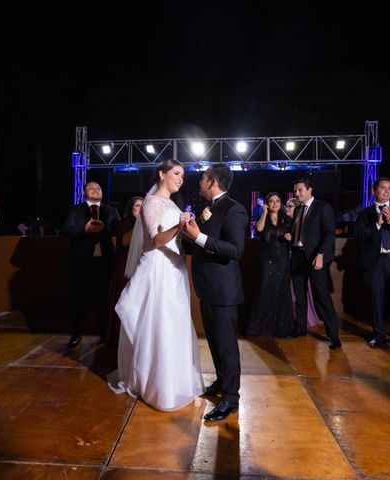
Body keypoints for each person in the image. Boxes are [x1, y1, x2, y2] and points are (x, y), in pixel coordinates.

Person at [108, 160, 203, 411]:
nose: (181, 178)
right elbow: (157, 239)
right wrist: (178, 226)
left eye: (183, 175)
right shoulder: (151, 203)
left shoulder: (172, 203)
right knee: (159, 323)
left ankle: (175, 381)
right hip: (158, 269)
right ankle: (157, 386)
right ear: (162, 174)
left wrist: (190, 230)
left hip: (174, 268)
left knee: (175, 322)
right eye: (176, 173)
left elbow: (175, 238)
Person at [184, 164, 248, 422]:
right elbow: (201, 244)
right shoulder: (209, 209)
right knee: (214, 341)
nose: (199, 181)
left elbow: (235, 250)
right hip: (208, 288)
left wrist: (198, 236)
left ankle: (231, 398)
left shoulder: (235, 209)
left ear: (212, 182)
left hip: (224, 291)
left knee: (226, 346)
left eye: (202, 178)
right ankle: (222, 381)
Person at [354, 177, 390, 355]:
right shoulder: (364, 213)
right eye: (382, 188)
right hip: (375, 262)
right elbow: (359, 236)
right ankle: (378, 335)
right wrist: (377, 224)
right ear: (374, 190)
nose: (387, 191)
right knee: (376, 299)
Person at [63, 181, 120, 348]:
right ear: (83, 192)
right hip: (81, 262)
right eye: (91, 188)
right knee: (79, 299)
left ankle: (106, 334)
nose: (95, 190)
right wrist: (84, 229)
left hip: (105, 262)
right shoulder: (75, 210)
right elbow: (67, 230)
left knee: (104, 300)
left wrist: (103, 229)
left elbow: (118, 231)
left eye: (98, 188)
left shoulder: (111, 211)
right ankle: (76, 334)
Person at [289, 177, 342, 349]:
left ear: (310, 190)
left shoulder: (322, 207)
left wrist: (320, 254)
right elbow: (299, 232)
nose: (297, 193)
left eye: (300, 190)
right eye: (295, 190)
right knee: (300, 296)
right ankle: (300, 329)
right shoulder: (298, 210)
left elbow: (329, 233)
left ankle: (333, 336)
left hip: (314, 258)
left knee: (322, 297)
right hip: (297, 256)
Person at [246, 193, 293, 336]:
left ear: (281, 203)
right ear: (267, 204)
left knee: (281, 292)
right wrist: (265, 212)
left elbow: (294, 237)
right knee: (265, 291)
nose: (274, 203)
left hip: (283, 260)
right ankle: (261, 328)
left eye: (277, 201)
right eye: (271, 201)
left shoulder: (287, 219)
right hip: (267, 260)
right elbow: (258, 229)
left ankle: (281, 328)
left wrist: (290, 237)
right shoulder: (264, 219)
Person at [104, 196, 144, 347]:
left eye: (143, 206)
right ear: (131, 208)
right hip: (124, 268)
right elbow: (125, 241)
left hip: (140, 267)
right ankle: (119, 336)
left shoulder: (146, 223)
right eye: (137, 206)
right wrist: (140, 223)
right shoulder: (125, 222)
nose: (140, 209)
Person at [284, 198, 322, 329]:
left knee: (308, 294)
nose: (287, 209)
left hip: (306, 258)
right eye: (286, 206)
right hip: (293, 259)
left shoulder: (304, 218)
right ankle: (299, 326)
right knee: (296, 294)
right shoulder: (288, 221)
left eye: (290, 206)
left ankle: (307, 322)